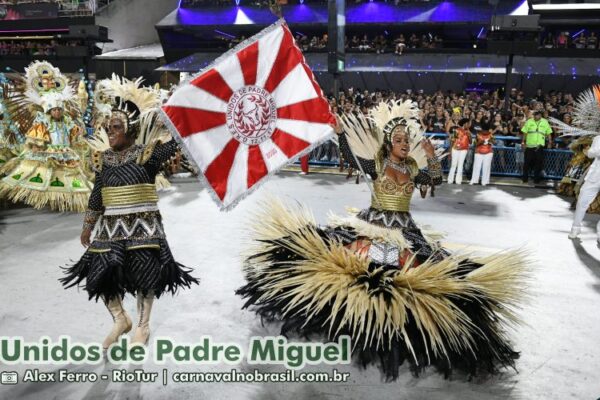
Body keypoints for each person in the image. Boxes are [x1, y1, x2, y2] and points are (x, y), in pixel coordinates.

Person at [237, 100, 528, 380]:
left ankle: (395, 330)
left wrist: (432, 160)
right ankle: (351, 320)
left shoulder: (413, 168)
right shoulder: (376, 164)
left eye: (406, 139)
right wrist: (340, 133)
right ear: (389, 143)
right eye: (398, 138)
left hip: (404, 229)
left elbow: (434, 181)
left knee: (414, 273)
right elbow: (351, 158)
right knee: (359, 267)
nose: (403, 143)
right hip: (372, 224)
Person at [60, 95, 199, 350]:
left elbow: (179, 142)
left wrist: (185, 114)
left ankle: (142, 326)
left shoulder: (148, 155)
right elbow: (97, 193)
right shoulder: (102, 159)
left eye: (116, 127)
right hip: (110, 228)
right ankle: (121, 319)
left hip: (144, 227)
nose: (109, 132)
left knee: (145, 274)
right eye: (108, 127)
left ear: (131, 129)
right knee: (99, 275)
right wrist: (88, 225)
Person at [0, 61, 92, 211]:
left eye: (59, 110)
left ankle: (65, 199)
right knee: (48, 175)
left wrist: (78, 132)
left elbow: (74, 132)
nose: (57, 112)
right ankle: (52, 199)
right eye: (54, 110)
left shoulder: (66, 120)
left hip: (65, 151)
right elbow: (38, 134)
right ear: (49, 111)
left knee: (68, 176)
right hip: (49, 151)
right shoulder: (44, 120)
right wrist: (37, 146)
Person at [569, 135, 600, 242]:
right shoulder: (597, 138)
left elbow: (593, 152)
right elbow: (591, 154)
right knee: (582, 201)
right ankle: (575, 227)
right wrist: (589, 151)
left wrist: (591, 151)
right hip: (595, 175)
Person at [521, 110, 553, 184]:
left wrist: (550, 142)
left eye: (537, 115)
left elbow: (549, 133)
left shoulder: (545, 122)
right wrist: (523, 142)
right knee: (526, 163)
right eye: (534, 115)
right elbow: (525, 132)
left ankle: (536, 180)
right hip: (529, 146)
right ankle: (524, 179)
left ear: (540, 115)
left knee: (538, 164)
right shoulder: (529, 121)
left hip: (540, 146)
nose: (535, 116)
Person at [447, 118, 471, 184]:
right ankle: (450, 180)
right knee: (453, 164)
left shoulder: (468, 131)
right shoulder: (456, 130)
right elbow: (452, 141)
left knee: (460, 165)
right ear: (465, 124)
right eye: (468, 123)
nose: (469, 125)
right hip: (455, 149)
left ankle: (458, 180)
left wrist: (469, 135)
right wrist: (450, 152)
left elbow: (471, 142)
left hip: (464, 150)